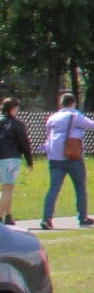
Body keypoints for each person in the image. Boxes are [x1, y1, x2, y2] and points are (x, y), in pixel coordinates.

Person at [40, 91, 94, 228]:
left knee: (53, 188)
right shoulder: (75, 116)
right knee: (80, 187)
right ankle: (82, 217)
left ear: (61, 103)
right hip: (73, 156)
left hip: (54, 157)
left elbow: (48, 135)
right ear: (73, 103)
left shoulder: (52, 118)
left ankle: (46, 218)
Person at [0, 97, 26, 226]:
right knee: (8, 188)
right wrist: (29, 158)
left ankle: (8, 215)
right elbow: (24, 142)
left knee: (5, 189)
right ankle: (1, 216)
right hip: (11, 158)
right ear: (14, 108)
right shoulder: (16, 123)